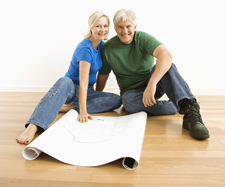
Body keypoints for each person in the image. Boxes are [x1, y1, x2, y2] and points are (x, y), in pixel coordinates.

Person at [96, 9, 209, 139]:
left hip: (152, 86)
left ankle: (191, 113)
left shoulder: (142, 38)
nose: (125, 31)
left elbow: (166, 55)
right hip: (132, 93)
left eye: (128, 26)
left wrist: (152, 83)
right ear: (115, 29)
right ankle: (173, 106)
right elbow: (103, 75)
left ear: (135, 27)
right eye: (120, 27)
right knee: (128, 103)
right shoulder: (107, 48)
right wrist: (97, 96)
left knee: (168, 66)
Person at [16, 11, 122, 144]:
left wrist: (97, 95)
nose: (103, 29)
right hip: (71, 87)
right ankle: (33, 126)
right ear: (91, 27)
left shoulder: (102, 46)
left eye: (105, 26)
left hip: (87, 90)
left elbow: (101, 75)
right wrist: (83, 111)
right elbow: (82, 82)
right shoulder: (85, 48)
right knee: (64, 81)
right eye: (98, 26)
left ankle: (72, 107)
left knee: (117, 100)